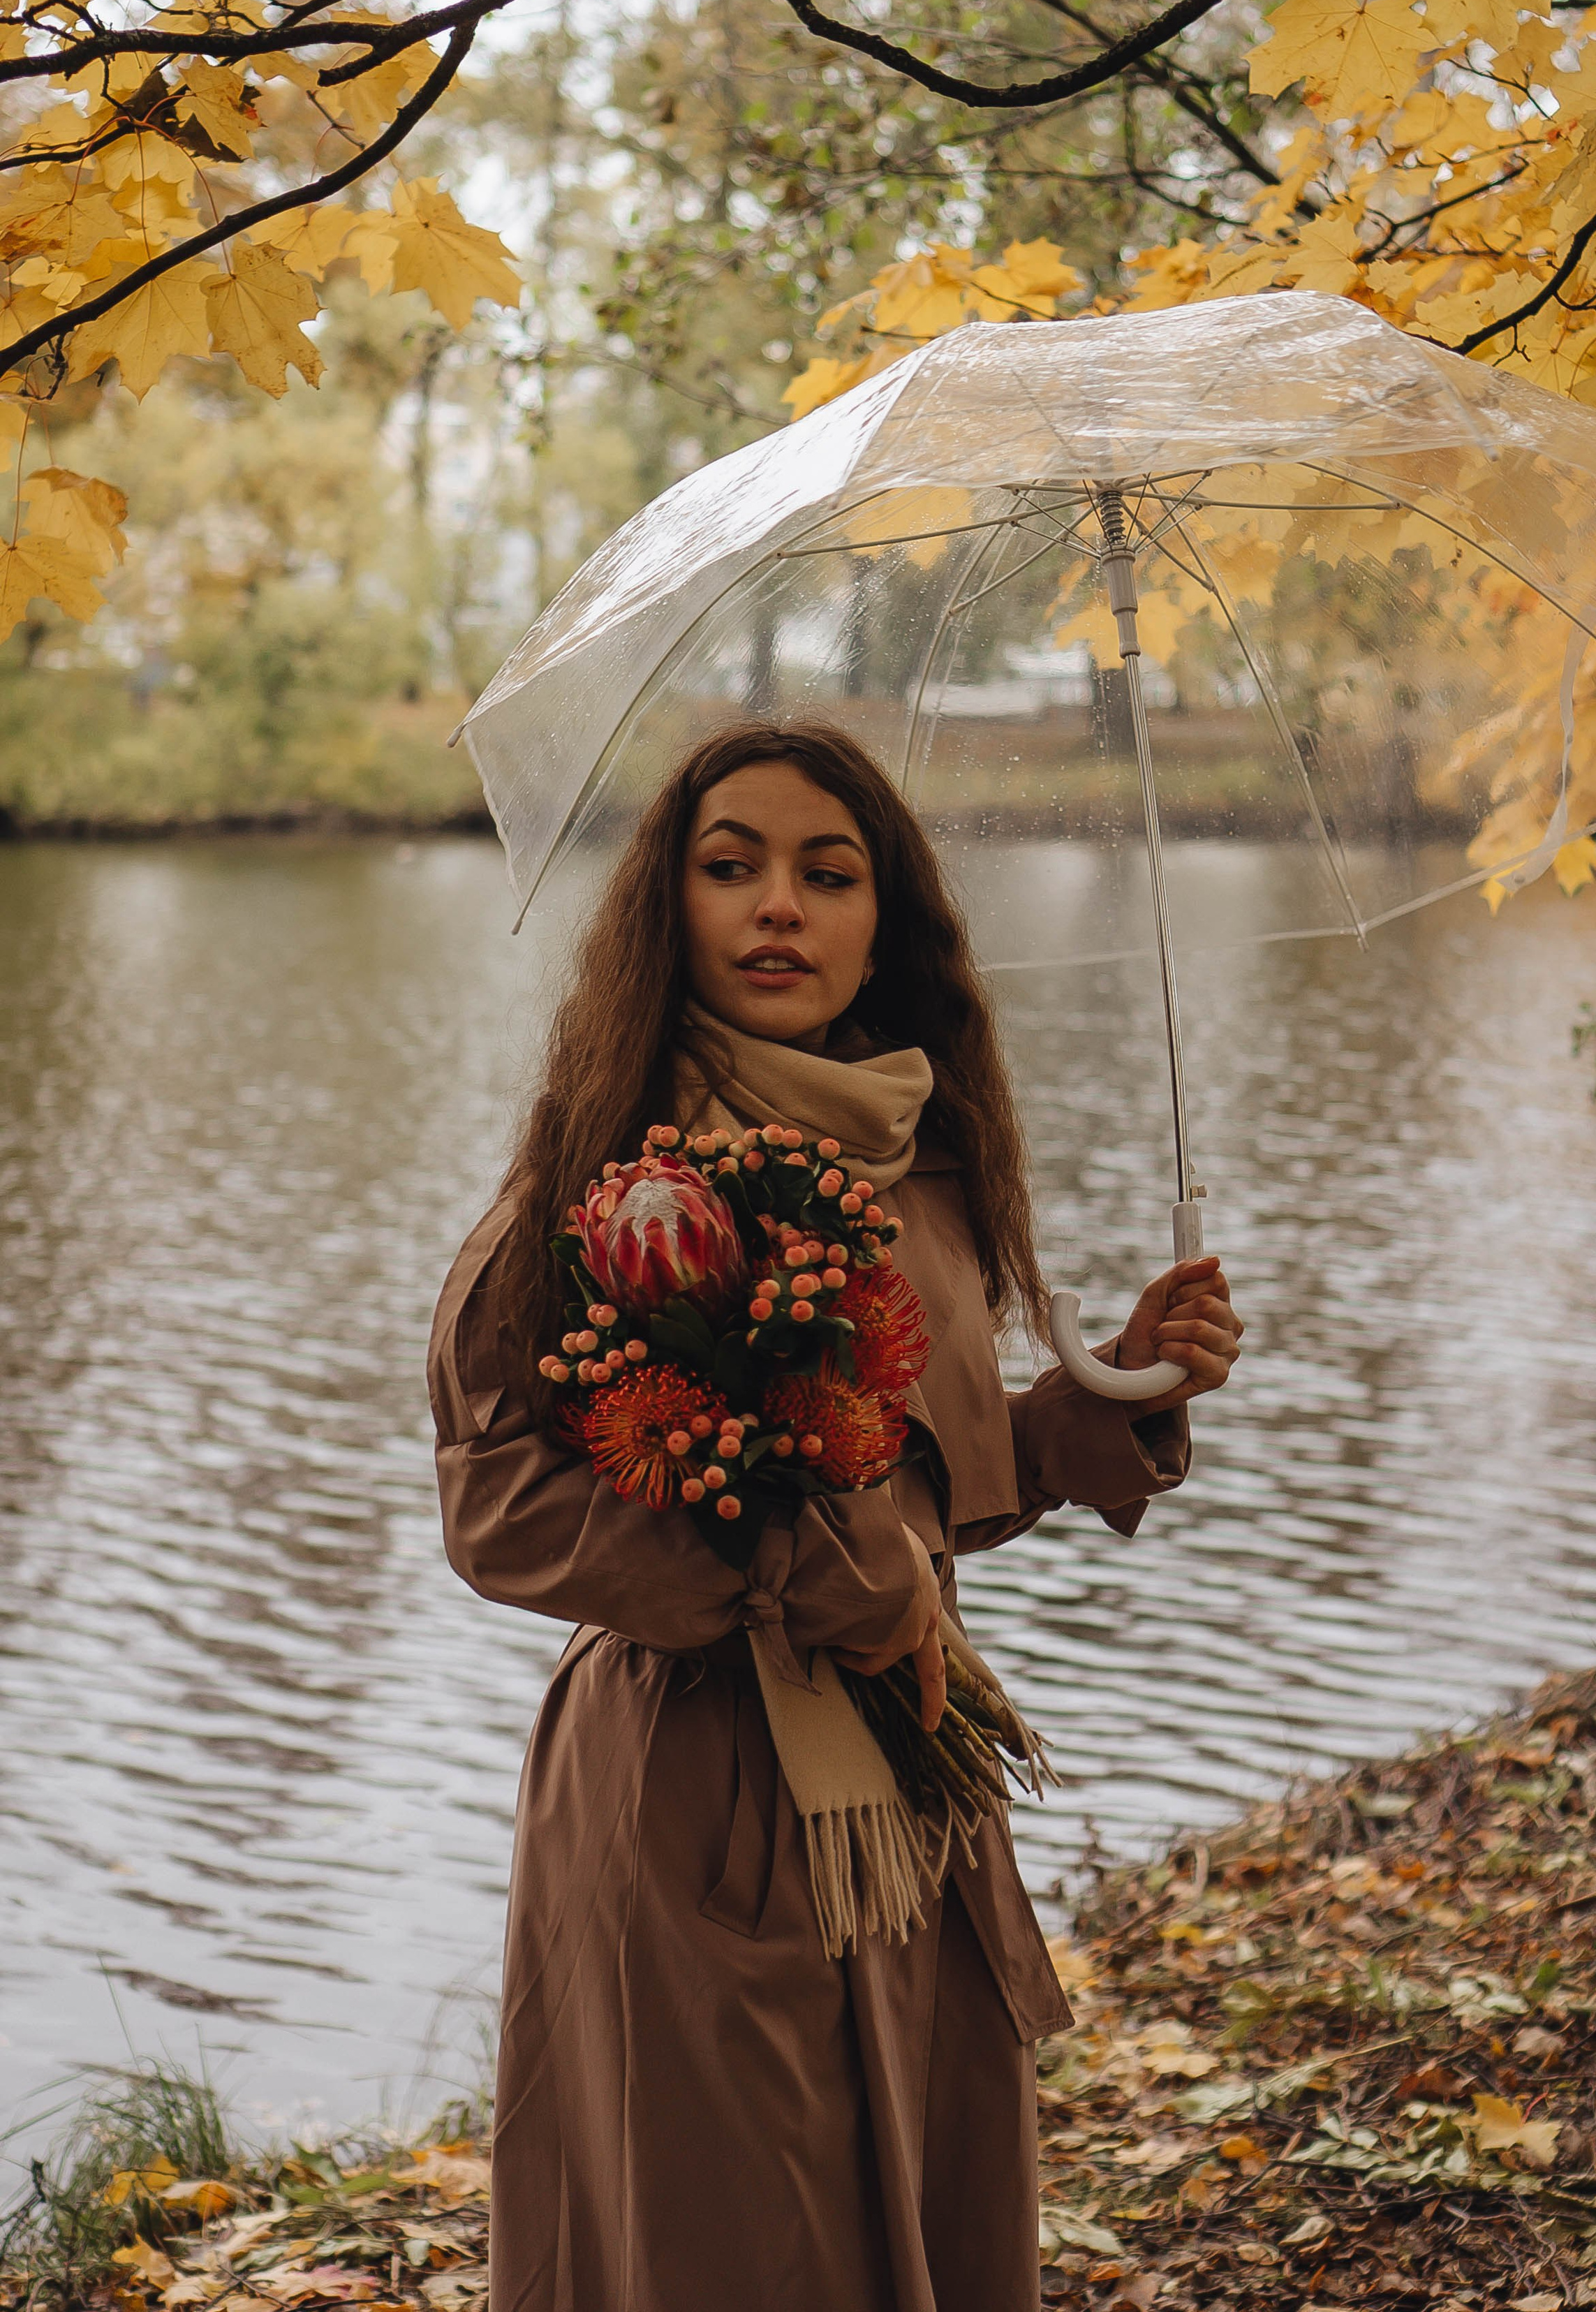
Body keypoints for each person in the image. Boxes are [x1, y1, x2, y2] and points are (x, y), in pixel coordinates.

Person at [428, 719, 1243, 2312]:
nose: (778, 907)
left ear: (889, 919)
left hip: (908, 1789)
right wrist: (791, 1578)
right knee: (732, 2239)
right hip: (695, 1789)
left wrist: (1106, 1408)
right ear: (673, 907)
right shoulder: (611, 1177)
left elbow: (915, 1489)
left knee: (921, 2220)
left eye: (827, 871)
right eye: (730, 867)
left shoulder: (920, 1162)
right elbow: (498, 1500)